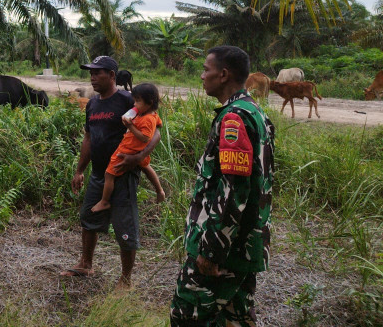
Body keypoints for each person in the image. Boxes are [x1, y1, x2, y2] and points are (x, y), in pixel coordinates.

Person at [170, 45, 275, 326]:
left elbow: (233, 191)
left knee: (186, 316)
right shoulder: (254, 112)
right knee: (235, 319)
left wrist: (212, 250)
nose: (202, 76)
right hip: (243, 246)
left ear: (224, 74)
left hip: (224, 250)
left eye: (206, 70)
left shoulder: (234, 118)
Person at [60, 56, 157, 288]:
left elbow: (155, 130)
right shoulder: (92, 104)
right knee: (89, 217)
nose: (92, 77)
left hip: (123, 175)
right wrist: (79, 170)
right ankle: (85, 263)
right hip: (98, 174)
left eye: (98, 72)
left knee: (125, 226)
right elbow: (88, 137)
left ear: (112, 76)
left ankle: (125, 280)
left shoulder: (127, 101)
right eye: (90, 73)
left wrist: (138, 158)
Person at [91, 82, 165, 212]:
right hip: (138, 150)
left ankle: (104, 201)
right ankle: (160, 190)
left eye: (137, 101)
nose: (134, 104)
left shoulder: (147, 119)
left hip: (128, 149)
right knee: (146, 168)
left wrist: (130, 126)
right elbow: (159, 123)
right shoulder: (151, 115)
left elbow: (145, 138)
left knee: (109, 174)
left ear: (149, 102)